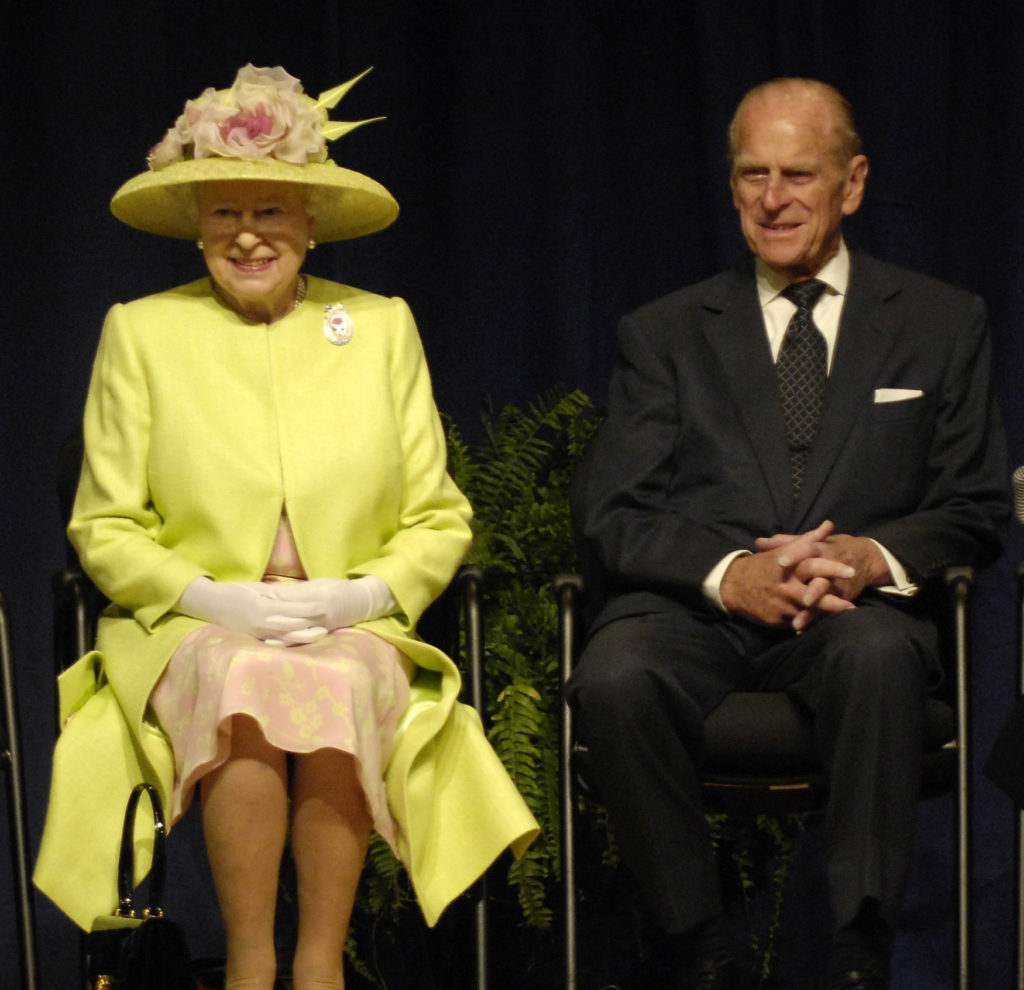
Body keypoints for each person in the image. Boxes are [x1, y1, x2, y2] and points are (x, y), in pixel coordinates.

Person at [35, 64, 538, 990]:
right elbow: (103, 525)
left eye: (272, 211)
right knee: (247, 671)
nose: (249, 234)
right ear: (197, 227)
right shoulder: (141, 333)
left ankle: (319, 966)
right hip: (187, 629)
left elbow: (438, 515)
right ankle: (252, 968)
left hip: (352, 622)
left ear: (311, 222)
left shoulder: (381, 327)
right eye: (225, 213)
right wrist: (212, 600)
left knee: (336, 675)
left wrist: (360, 594)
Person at [566, 78, 1009, 990]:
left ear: (851, 184)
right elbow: (614, 509)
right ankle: (703, 945)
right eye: (752, 174)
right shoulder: (665, 332)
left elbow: (972, 503)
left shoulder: (940, 321)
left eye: (798, 174)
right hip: (699, 610)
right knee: (612, 677)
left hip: (853, 608)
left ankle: (859, 948)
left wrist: (864, 557)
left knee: (880, 657)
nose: (774, 198)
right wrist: (730, 575)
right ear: (731, 187)